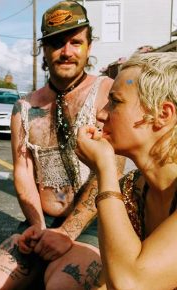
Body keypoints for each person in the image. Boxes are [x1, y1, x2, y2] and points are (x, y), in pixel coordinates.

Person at [0, 1, 124, 289]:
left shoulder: (107, 93)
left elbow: (112, 170)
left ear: (89, 46)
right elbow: (23, 172)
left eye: (75, 42)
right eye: (57, 43)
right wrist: (38, 226)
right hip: (42, 222)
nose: (67, 51)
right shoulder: (24, 107)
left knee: (61, 285)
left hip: (95, 223)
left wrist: (68, 234)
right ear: (43, 49)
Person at [74, 52, 177, 289]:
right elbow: (109, 278)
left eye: (115, 101)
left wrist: (105, 170)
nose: (101, 114)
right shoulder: (133, 188)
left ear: (162, 115)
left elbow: (131, 283)